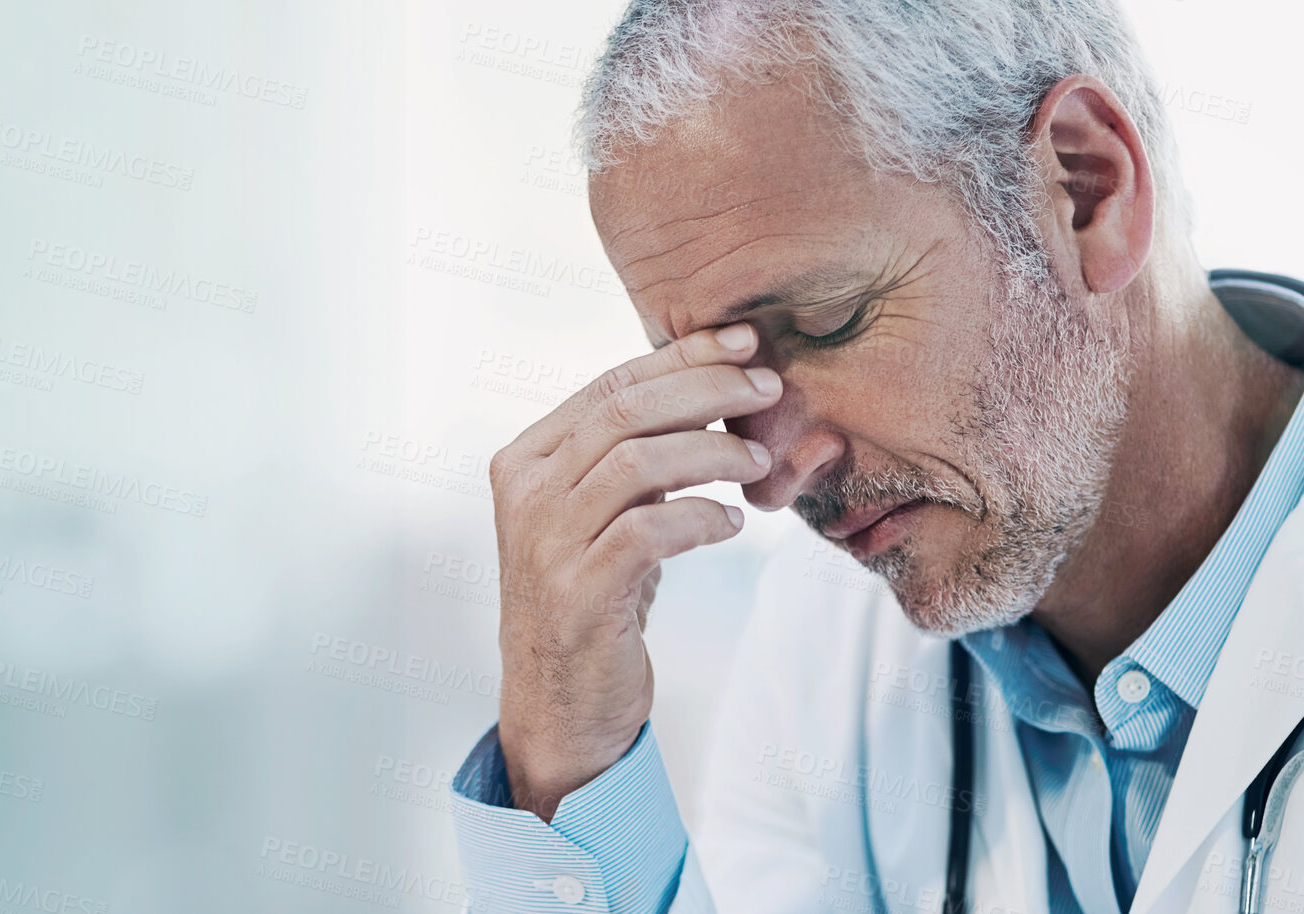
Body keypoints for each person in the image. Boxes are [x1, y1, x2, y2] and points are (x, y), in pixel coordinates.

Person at [449, 1, 1304, 913]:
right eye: (717, 378)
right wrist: (564, 759)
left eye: (825, 324)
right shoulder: (824, 645)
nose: (774, 479)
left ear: (1084, 189)